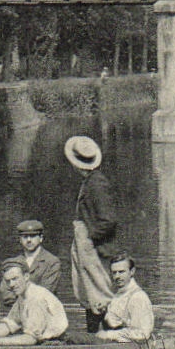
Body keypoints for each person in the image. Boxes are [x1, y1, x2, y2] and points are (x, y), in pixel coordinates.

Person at [65, 135, 118, 332]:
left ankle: (109, 335)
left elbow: (108, 220)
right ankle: (94, 334)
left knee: (99, 292)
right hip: (84, 245)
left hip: (92, 247)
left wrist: (89, 239)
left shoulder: (97, 184)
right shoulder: (90, 181)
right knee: (87, 291)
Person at [0, 262, 69, 349]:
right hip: (39, 341)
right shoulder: (22, 296)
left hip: (52, 345)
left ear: (26, 276)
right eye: (8, 281)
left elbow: (31, 339)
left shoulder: (36, 298)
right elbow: (9, 325)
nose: (11, 285)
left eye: (15, 279)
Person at [0, 219, 62, 305]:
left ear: (41, 238)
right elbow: (6, 294)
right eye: (25, 237)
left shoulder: (52, 262)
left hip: (43, 312)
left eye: (32, 236)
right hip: (16, 309)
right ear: (20, 240)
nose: (28, 240)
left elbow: (45, 293)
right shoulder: (13, 263)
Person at [94, 253, 154, 342]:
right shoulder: (120, 293)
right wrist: (104, 311)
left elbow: (142, 334)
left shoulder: (138, 298)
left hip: (126, 347)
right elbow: (117, 319)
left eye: (121, 272)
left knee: (73, 339)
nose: (117, 276)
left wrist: (108, 335)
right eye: (114, 273)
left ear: (132, 271)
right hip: (112, 343)